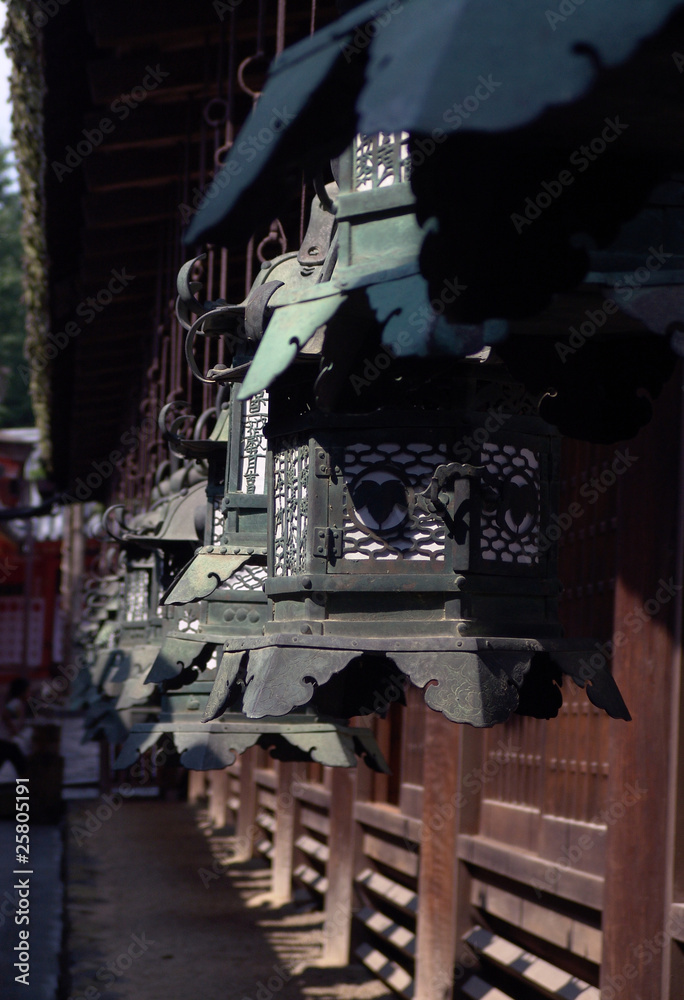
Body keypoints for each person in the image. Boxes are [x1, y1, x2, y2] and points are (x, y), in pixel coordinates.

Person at [0, 677, 30, 776]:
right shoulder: (16, 702)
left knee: (21, 766)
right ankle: (22, 790)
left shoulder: (18, 703)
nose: (29, 694)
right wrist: (13, 729)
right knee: (22, 767)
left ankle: (22, 789)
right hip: (5, 742)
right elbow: (6, 715)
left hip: (5, 742)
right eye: (27, 691)